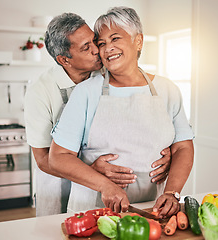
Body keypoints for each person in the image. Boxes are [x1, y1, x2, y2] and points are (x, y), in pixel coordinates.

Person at [48, 6, 194, 218]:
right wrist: (105, 186)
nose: (108, 49)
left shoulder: (167, 89)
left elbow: (183, 146)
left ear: (138, 41)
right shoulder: (86, 92)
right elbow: (58, 157)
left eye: (115, 39)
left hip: (153, 208)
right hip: (94, 208)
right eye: (102, 43)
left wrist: (172, 192)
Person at [24, 13, 171, 217]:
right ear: (64, 59)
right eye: (86, 47)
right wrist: (91, 169)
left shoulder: (103, 75)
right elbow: (42, 159)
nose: (98, 50)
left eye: (95, 41)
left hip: (104, 187)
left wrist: (163, 150)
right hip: (59, 185)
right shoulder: (40, 92)